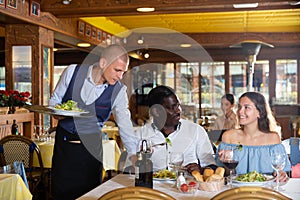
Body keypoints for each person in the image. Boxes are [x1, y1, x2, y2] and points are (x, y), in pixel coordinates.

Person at [49, 44, 136, 199]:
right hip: (64, 146)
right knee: (60, 193)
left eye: (123, 72)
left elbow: (125, 124)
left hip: (92, 150)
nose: (120, 76)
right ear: (103, 63)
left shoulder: (119, 91)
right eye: (117, 70)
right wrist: (57, 111)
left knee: (90, 194)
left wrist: (133, 154)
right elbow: (55, 100)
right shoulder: (72, 72)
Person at [134, 85, 217, 174]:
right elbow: (129, 170)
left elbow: (212, 166)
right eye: (172, 107)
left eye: (178, 106)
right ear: (156, 111)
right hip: (151, 187)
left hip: (187, 186)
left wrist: (201, 170)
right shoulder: (140, 135)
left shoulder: (196, 131)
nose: (178, 111)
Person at [217, 92, 291, 182]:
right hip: (236, 192)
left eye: (247, 107)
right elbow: (222, 175)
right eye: (239, 107)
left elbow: (281, 171)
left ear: (259, 112)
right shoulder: (228, 137)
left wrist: (282, 174)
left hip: (266, 191)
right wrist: (225, 164)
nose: (240, 111)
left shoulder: (273, 138)